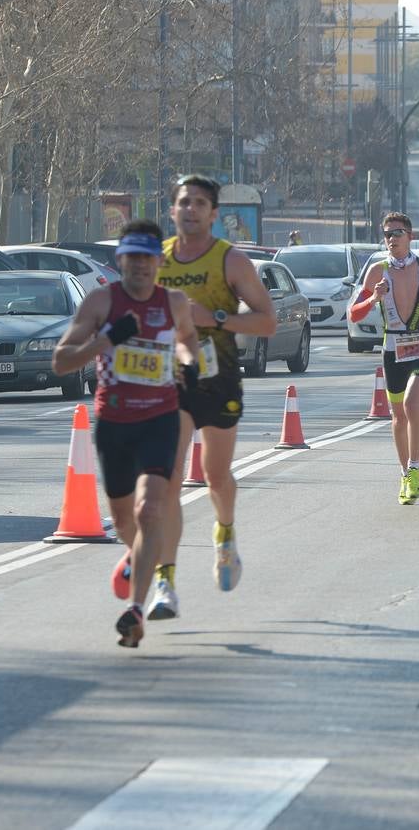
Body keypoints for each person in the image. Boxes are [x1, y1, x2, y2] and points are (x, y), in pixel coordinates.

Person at [52, 220, 200, 648]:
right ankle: (138, 555)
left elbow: (189, 341)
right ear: (120, 260)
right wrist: (105, 341)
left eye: (146, 258)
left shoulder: (174, 303)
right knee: (123, 522)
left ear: (159, 262)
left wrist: (188, 363)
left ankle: (136, 610)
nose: (139, 266)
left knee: (150, 510)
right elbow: (61, 361)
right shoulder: (102, 302)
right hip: (114, 424)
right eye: (131, 257)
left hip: (159, 418)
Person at [151, 175, 276, 622]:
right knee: (168, 480)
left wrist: (215, 317)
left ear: (214, 213)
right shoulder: (156, 262)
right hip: (172, 380)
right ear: (171, 211)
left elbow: (266, 323)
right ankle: (165, 583)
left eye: (200, 203)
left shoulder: (232, 261)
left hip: (219, 377)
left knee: (215, 476)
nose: (190, 210)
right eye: (183, 203)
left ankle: (224, 533)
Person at [348, 213, 419, 504]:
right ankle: (405, 475)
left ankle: (416, 466)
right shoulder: (377, 271)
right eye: (386, 234)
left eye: (397, 233)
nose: (391, 239)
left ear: (410, 236)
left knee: (412, 404)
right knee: (397, 417)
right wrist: (373, 299)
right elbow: (353, 313)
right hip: (392, 349)